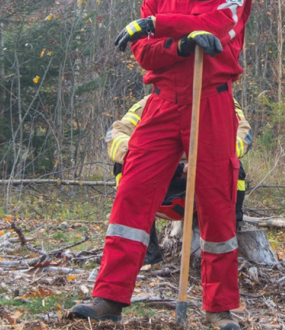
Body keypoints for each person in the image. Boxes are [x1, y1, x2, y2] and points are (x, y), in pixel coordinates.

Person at [70, 0, 251, 330]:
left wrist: (153, 25)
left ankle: (220, 307)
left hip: (211, 102)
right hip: (162, 102)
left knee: (216, 202)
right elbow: (144, 54)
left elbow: (214, 28)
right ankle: (109, 298)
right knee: (131, 191)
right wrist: (181, 46)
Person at [105, 95, 254, 265]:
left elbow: (244, 134)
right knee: (122, 167)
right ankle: (147, 252)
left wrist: (207, 160)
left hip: (206, 183)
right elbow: (116, 133)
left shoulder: (220, 99)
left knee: (234, 167)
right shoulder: (153, 100)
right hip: (160, 180)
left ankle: (228, 237)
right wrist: (144, 159)